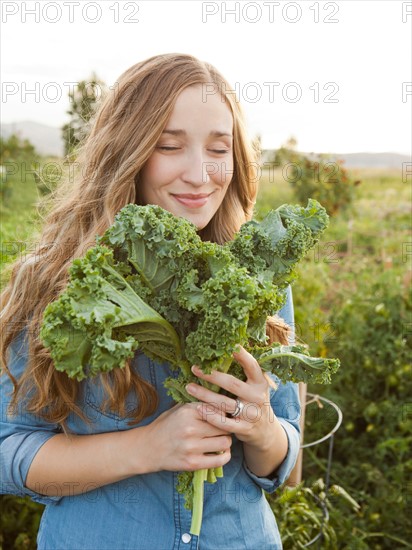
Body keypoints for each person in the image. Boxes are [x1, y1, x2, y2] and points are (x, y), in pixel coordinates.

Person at [0, 53, 301, 550]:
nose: (200, 173)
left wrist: (263, 429)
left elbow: (286, 467)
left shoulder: (258, 279)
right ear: (128, 151)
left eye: (218, 149)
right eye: (169, 146)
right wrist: (146, 448)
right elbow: (9, 450)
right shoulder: (53, 280)